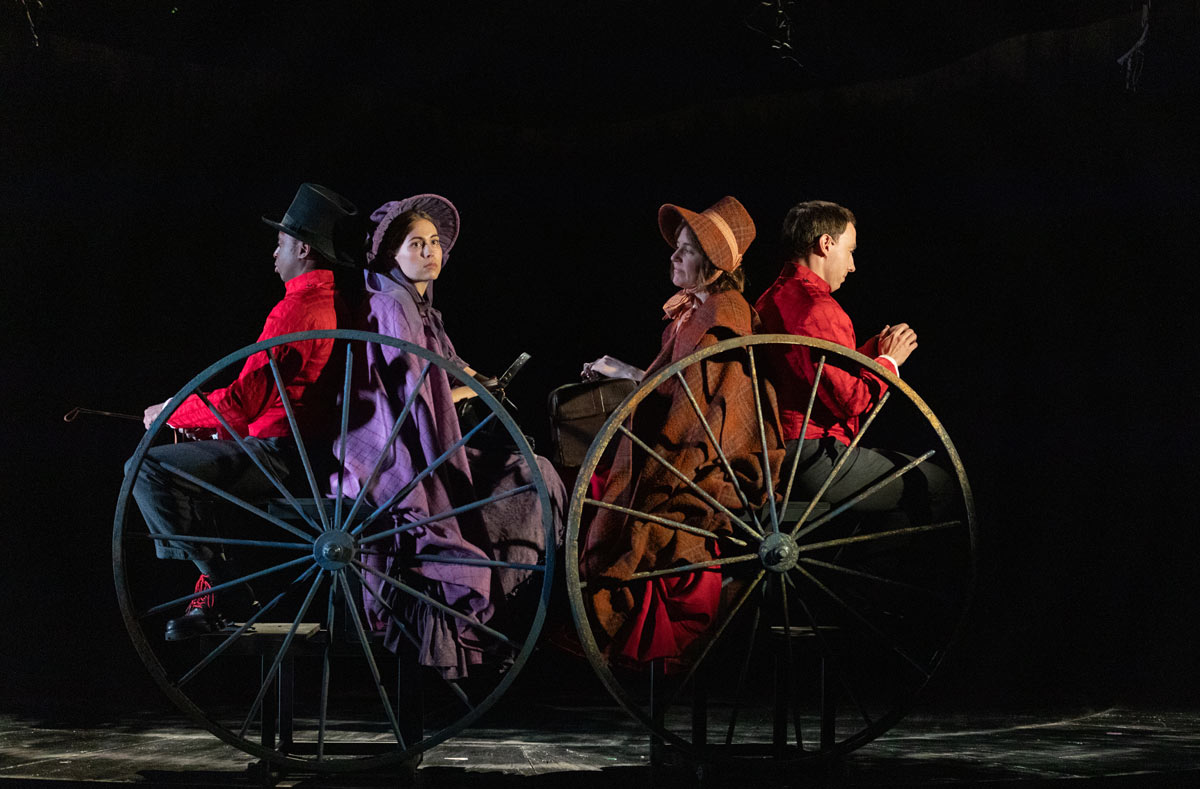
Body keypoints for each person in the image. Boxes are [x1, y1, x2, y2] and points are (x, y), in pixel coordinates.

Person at [337, 194, 565, 678]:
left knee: (534, 473)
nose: (429, 252)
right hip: (404, 454)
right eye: (415, 244)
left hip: (435, 441)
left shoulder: (421, 308)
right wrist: (459, 391)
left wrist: (476, 379)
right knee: (530, 476)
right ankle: (491, 617)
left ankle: (509, 613)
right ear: (390, 255)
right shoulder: (393, 303)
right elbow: (417, 387)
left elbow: (446, 361)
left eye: (434, 242)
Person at [130, 183, 362, 640]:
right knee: (192, 473)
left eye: (279, 244)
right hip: (311, 448)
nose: (273, 254)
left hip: (283, 455)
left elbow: (243, 402)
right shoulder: (336, 303)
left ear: (302, 247)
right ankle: (213, 596)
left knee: (148, 468)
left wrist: (174, 411)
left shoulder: (295, 311)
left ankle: (224, 586)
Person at [579, 196, 783, 666]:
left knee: (625, 501)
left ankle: (636, 625)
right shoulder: (691, 312)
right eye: (677, 246)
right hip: (676, 438)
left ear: (713, 267)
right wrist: (626, 372)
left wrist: (663, 450)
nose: (673, 255)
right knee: (590, 482)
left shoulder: (724, 312)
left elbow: (712, 407)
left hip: (706, 455)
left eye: (686, 250)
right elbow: (674, 387)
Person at [754, 199, 951, 523]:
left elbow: (812, 373)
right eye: (850, 251)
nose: (852, 265)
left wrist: (872, 350)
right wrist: (889, 361)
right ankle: (884, 573)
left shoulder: (772, 298)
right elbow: (851, 400)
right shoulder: (819, 307)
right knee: (939, 485)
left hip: (778, 452)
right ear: (826, 244)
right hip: (814, 458)